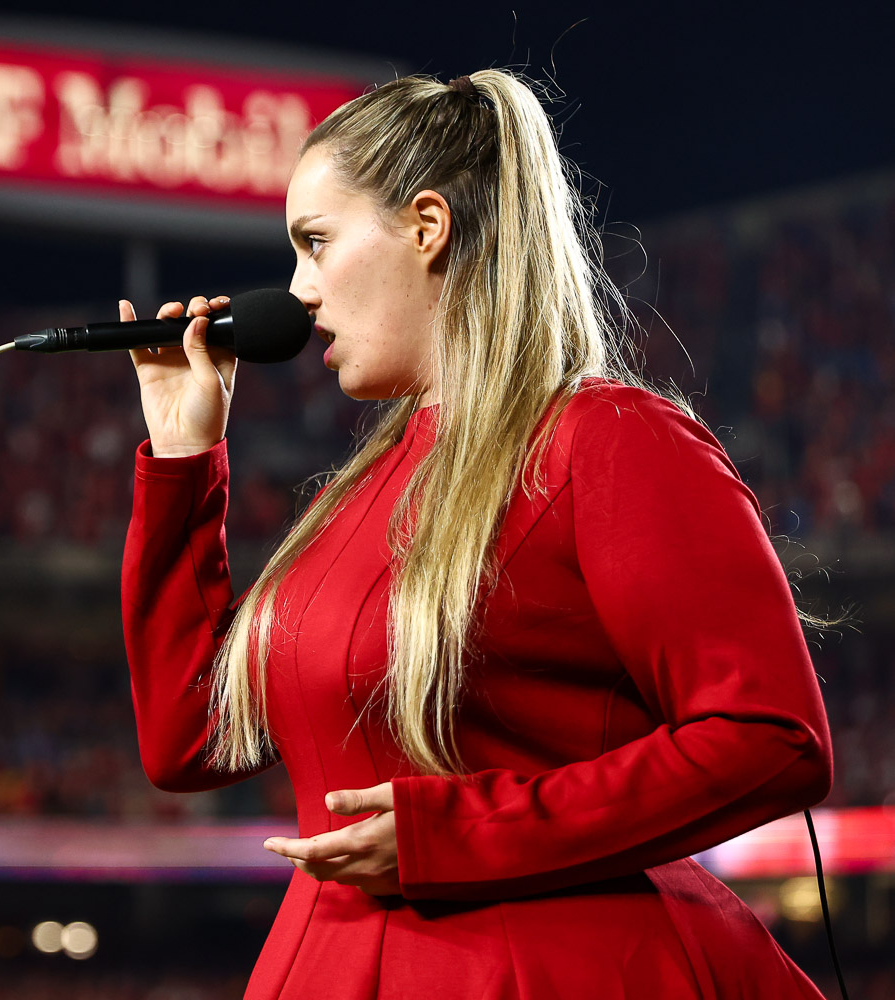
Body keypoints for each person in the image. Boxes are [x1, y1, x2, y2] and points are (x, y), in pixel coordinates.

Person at [117, 69, 836, 999]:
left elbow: (771, 737)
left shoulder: (607, 437)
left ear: (427, 225)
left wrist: (458, 833)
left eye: (317, 242)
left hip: (555, 968)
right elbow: (190, 741)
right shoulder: (361, 488)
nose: (297, 291)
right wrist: (183, 462)